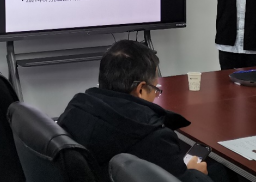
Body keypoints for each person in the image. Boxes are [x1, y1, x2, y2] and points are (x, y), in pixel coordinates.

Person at [58, 40, 216, 182]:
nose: (155, 95)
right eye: (156, 89)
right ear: (140, 89)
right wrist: (196, 174)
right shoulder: (153, 136)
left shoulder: (75, 109)